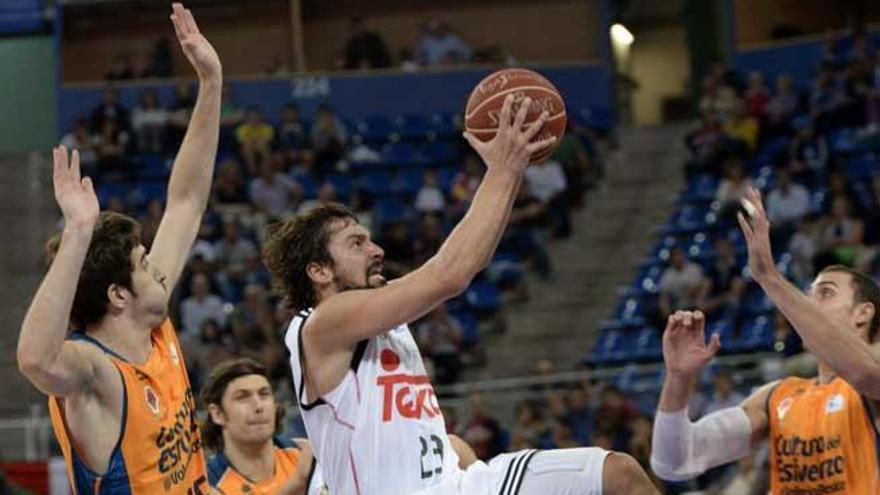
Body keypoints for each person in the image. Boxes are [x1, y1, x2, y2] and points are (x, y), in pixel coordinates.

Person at [263, 95, 657, 494]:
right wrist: (503, 169)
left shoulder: (385, 321)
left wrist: (511, 172)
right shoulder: (322, 324)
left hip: (453, 485)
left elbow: (470, 262)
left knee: (619, 474)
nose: (376, 250)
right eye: (356, 243)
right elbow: (449, 274)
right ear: (319, 271)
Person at [15, 4, 222, 493]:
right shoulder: (96, 372)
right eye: (144, 264)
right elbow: (34, 360)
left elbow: (187, 203)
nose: (157, 269)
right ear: (118, 296)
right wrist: (79, 232)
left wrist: (211, 85)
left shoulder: (152, 321)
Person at [651, 186, 880, 494]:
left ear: (863, 313)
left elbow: (865, 372)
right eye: (807, 294)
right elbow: (674, 463)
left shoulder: (869, 380)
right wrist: (678, 379)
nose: (808, 304)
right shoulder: (778, 395)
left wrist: (769, 277)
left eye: (825, 293)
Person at [202, 358, 325, 495]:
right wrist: (297, 484)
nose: (258, 406)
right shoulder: (208, 485)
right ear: (218, 414)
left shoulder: (306, 454)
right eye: (243, 397)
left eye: (264, 394)